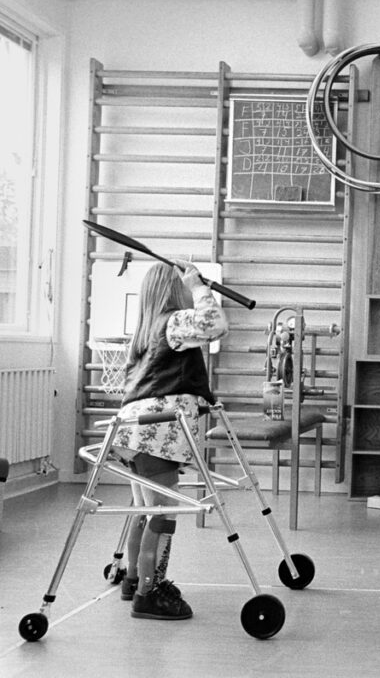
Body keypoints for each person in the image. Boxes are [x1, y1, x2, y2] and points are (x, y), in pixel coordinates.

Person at [111, 260, 227, 621]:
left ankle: (134, 579)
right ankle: (150, 592)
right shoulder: (174, 322)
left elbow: (165, 384)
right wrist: (197, 286)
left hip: (133, 433)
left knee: (146, 510)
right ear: (174, 290)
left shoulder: (144, 334)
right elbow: (216, 324)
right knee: (162, 513)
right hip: (155, 436)